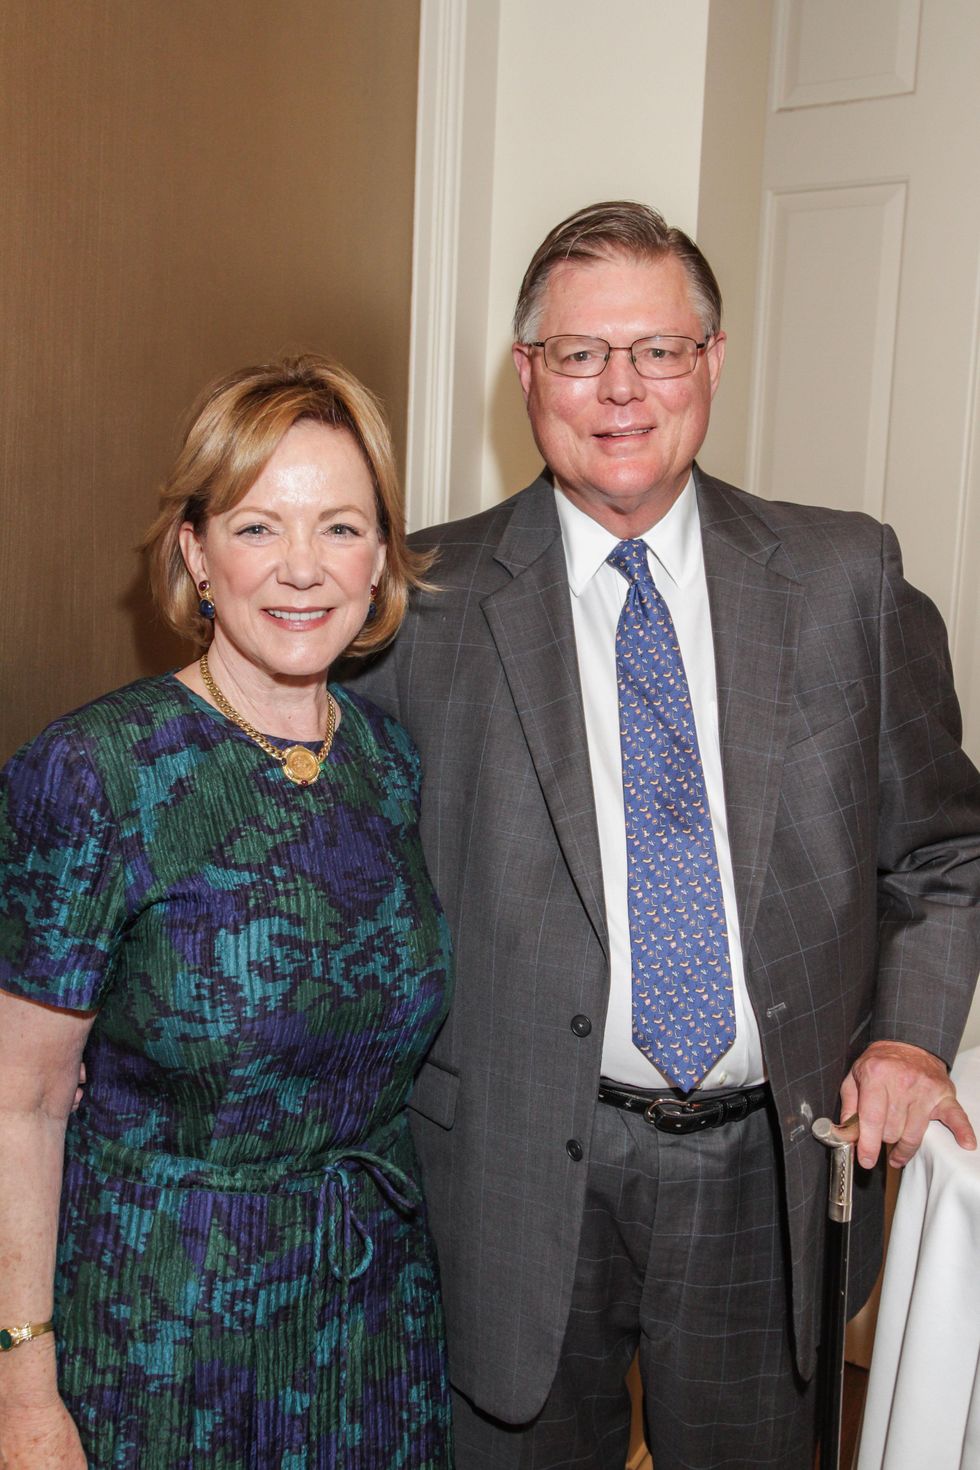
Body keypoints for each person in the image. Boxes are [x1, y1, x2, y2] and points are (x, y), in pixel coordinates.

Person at [348, 202, 980, 1470]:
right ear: (526, 375)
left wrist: (910, 1032)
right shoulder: (417, 602)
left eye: (658, 350)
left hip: (768, 1172)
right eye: (579, 354)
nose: (620, 390)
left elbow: (942, 852)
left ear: (712, 361)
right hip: (510, 1179)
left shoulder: (845, 578)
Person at [0, 355, 454, 1469]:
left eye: (341, 527)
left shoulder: (389, 763)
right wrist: (23, 1387)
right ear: (195, 551)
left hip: (372, 1325)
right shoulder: (94, 772)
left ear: (382, 556)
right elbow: (22, 1101)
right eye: (258, 528)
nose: (302, 570)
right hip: (164, 1337)